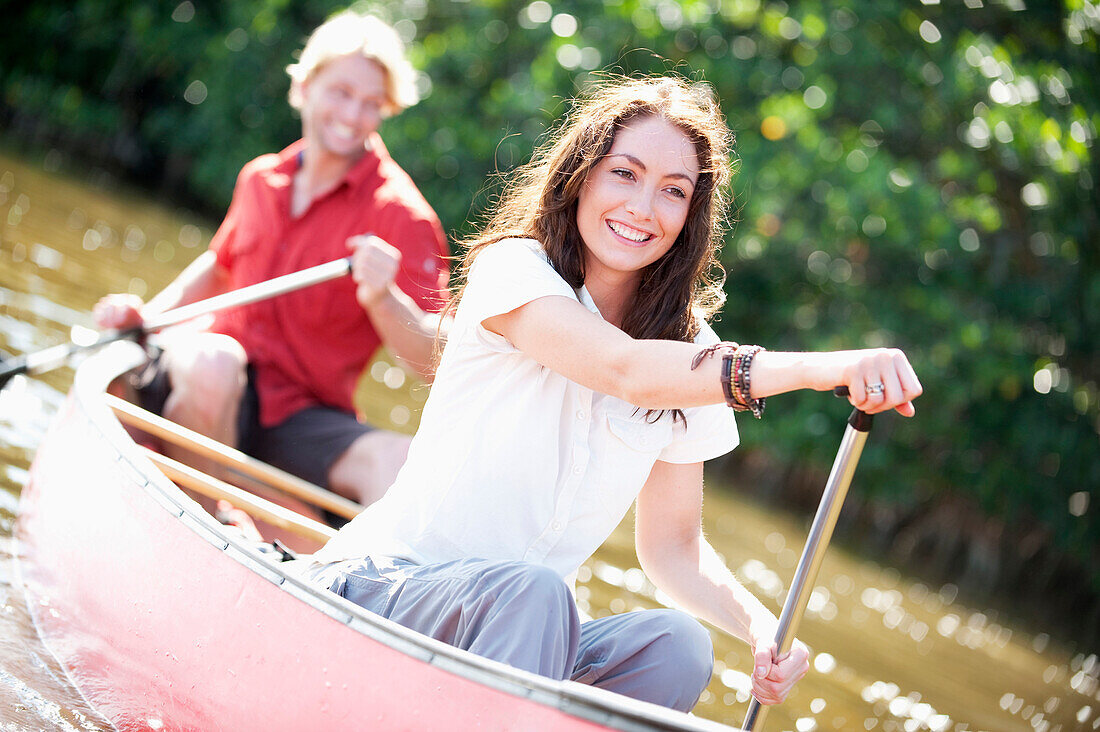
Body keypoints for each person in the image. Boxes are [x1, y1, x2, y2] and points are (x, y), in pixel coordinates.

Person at [306, 75, 923, 712]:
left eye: (673, 192)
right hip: (387, 589)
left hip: (527, 634)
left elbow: (673, 548)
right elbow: (622, 368)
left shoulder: (687, 350)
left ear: (691, 215)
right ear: (581, 175)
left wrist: (761, 629)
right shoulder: (513, 271)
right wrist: (820, 369)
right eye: (624, 174)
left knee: (677, 645)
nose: (642, 208)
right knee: (537, 594)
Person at [93, 11, 448, 508]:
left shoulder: (403, 217)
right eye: (341, 92)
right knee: (213, 365)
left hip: (301, 414)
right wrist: (146, 318)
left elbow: (435, 360)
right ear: (304, 86)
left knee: (400, 465)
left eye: (371, 104)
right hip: (214, 375)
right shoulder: (260, 179)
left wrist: (384, 300)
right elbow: (218, 268)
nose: (353, 114)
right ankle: (211, 518)